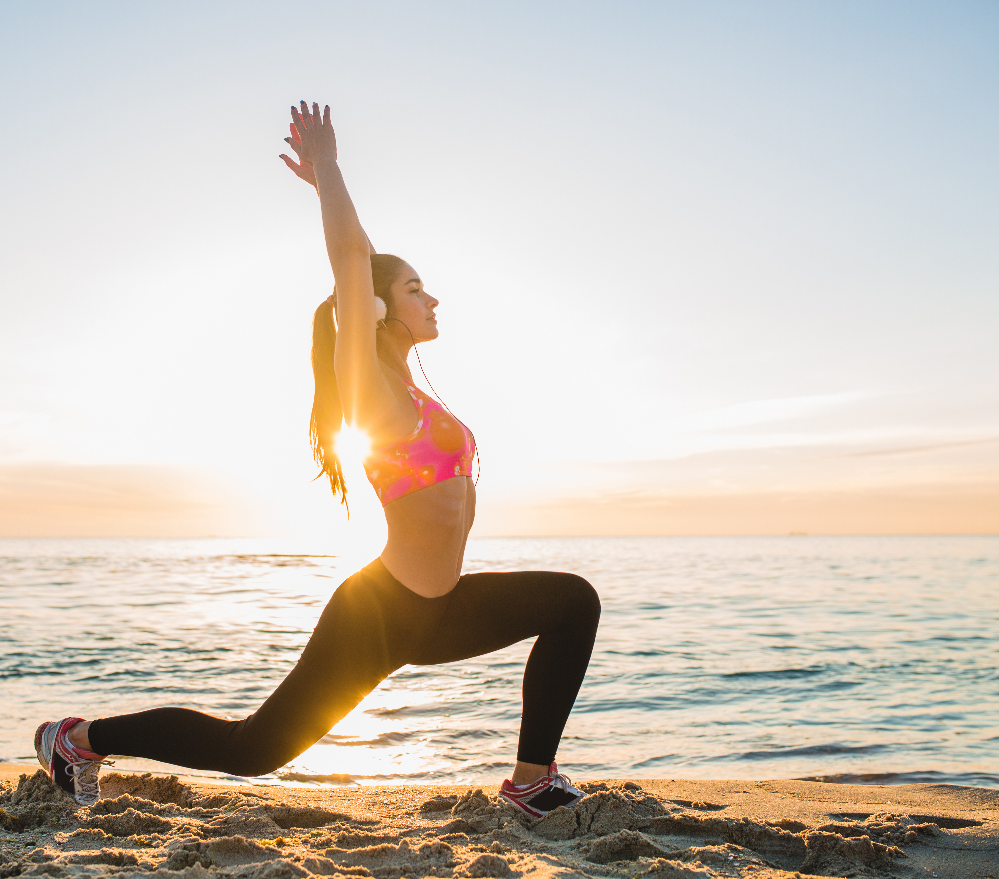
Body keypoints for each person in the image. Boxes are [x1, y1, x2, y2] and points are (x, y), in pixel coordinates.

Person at [34, 102, 601, 818]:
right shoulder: (368, 390)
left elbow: (362, 260)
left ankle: (531, 781)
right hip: (383, 612)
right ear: (378, 308)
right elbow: (352, 260)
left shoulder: (410, 389)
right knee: (252, 749)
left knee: (573, 601)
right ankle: (77, 738)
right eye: (415, 287)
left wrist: (334, 192)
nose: (432, 297)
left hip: (444, 607)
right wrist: (329, 172)